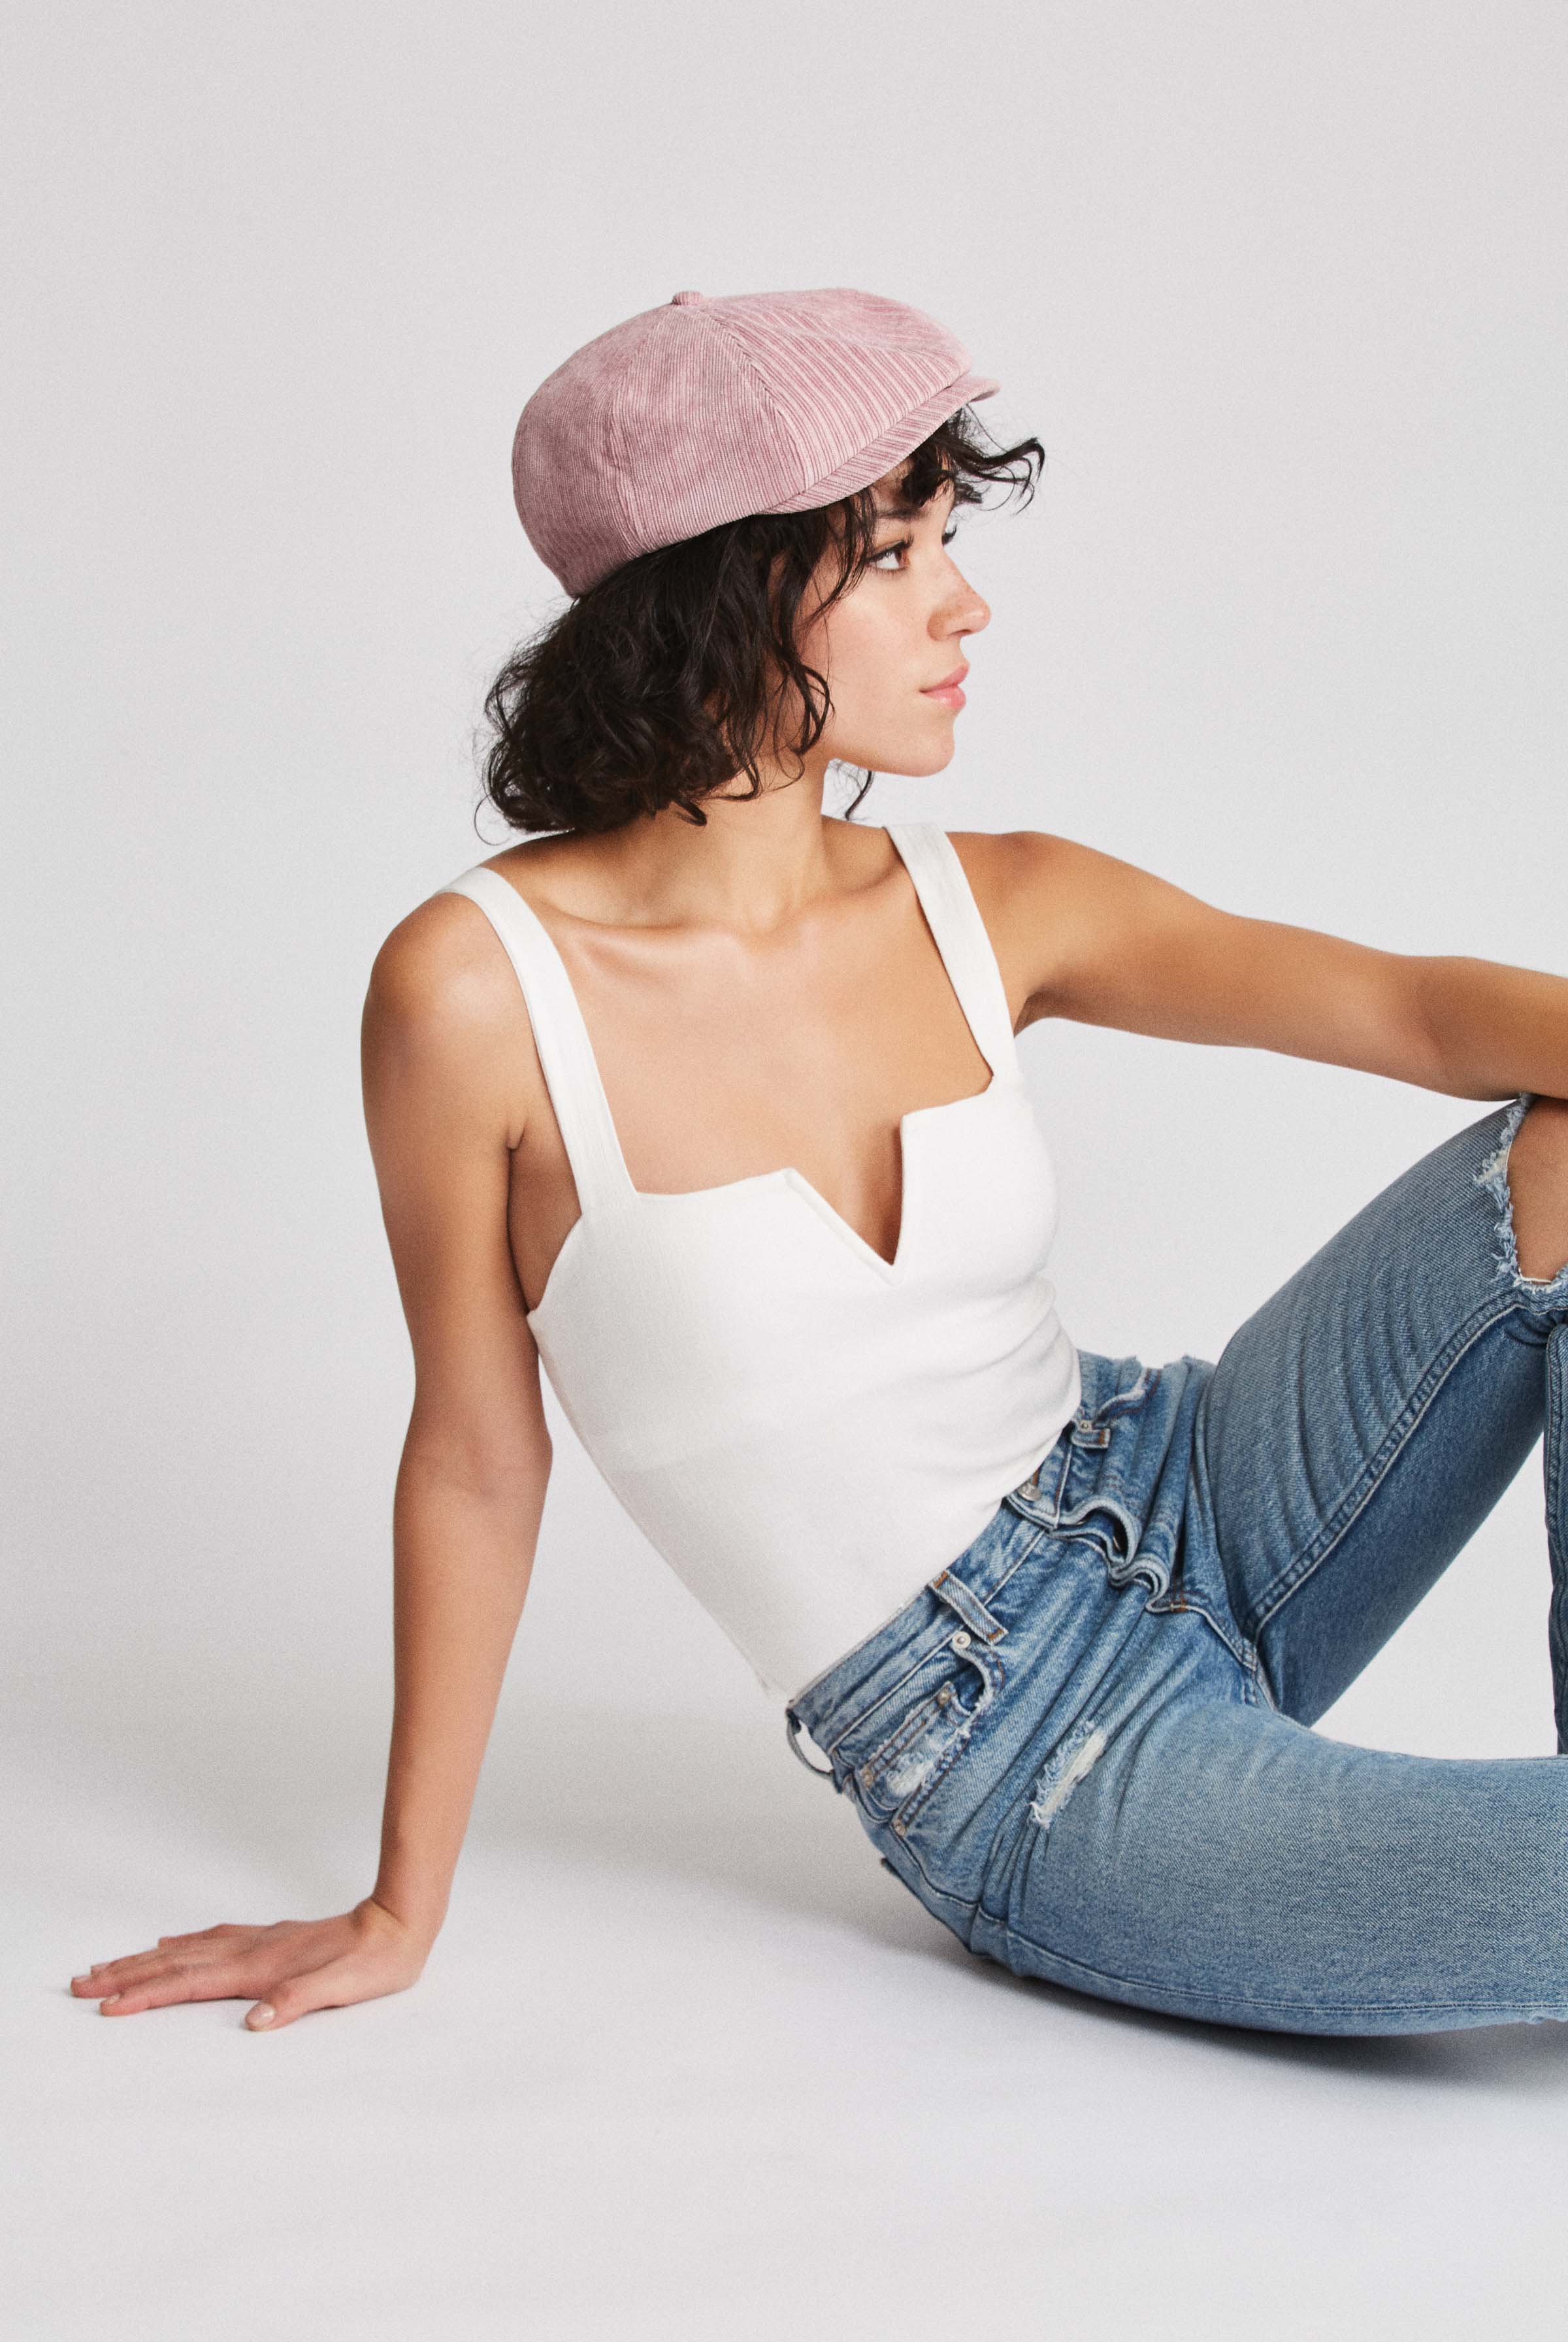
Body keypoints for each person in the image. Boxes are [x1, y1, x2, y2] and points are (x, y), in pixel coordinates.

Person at [71, 287, 1568, 2038]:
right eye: (893, 554)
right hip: (1021, 1752)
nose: (964, 602)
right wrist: (402, 1905)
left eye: (948, 540)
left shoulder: (995, 899)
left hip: (1198, 1487)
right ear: (723, 599)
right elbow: (476, 1458)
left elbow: (1408, 1011)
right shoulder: (476, 996)